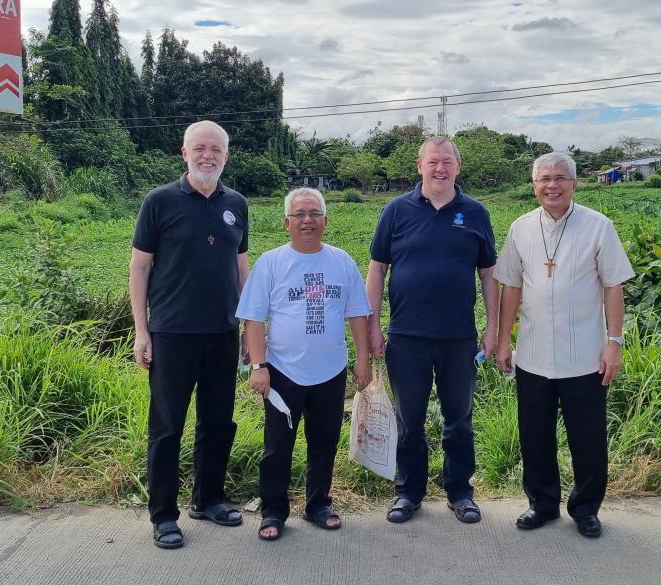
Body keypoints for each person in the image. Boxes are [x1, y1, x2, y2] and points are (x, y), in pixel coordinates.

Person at [493, 151, 634, 539]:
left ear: (574, 184)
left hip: (585, 355)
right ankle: (541, 503)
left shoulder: (597, 226)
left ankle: (586, 508)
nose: (551, 185)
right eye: (544, 179)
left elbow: (613, 286)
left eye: (560, 178)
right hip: (534, 355)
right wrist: (504, 341)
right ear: (534, 185)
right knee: (535, 435)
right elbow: (511, 287)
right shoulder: (521, 228)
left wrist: (614, 343)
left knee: (587, 438)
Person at [366, 136, 499, 524]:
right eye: (433, 161)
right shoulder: (396, 210)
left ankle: (460, 492)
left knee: (459, 420)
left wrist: (492, 329)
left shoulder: (475, 212)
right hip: (406, 338)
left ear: (458, 168)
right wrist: (374, 325)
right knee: (410, 420)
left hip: (459, 338)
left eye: (447, 162)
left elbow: (488, 274)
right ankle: (408, 493)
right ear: (419, 166)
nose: (440, 168)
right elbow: (377, 270)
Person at [130, 121, 250, 549]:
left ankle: (209, 499)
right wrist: (141, 331)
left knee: (218, 423)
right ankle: (163, 515)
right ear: (184, 153)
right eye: (200, 148)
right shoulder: (159, 202)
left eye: (216, 149)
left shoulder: (236, 203)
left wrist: (249, 329)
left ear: (226, 156)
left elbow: (241, 268)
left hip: (223, 333)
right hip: (171, 334)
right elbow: (140, 267)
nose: (208, 156)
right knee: (167, 427)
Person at [237, 188, 372, 541]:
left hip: (331, 370)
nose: (307, 220)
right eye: (299, 215)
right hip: (282, 371)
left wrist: (362, 361)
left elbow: (358, 313)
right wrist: (258, 366)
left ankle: (318, 504)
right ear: (286, 222)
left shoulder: (341, 261)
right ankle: (273, 510)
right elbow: (253, 319)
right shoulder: (271, 262)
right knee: (278, 445)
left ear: (326, 220)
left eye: (314, 213)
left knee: (324, 441)